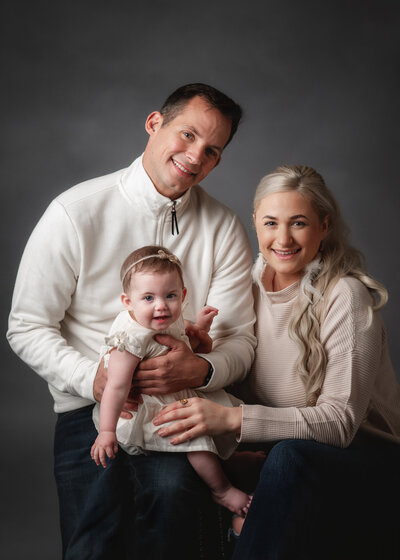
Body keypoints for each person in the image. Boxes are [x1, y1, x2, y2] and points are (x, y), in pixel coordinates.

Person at [7, 83, 256, 559]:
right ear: (154, 124)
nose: (194, 156)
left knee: (175, 517)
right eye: (186, 135)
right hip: (88, 408)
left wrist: (203, 370)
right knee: (94, 542)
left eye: (211, 150)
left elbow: (240, 339)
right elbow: (27, 325)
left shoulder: (223, 227)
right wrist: (94, 380)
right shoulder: (75, 210)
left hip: (179, 409)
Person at [153, 165, 400, 560]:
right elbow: (231, 381)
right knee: (174, 465)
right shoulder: (243, 287)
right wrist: (202, 352)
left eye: (298, 223)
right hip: (277, 453)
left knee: (288, 457)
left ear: (324, 224)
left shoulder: (345, 296)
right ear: (255, 222)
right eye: (271, 223)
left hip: (369, 459)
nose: (282, 239)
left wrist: (233, 420)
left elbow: (339, 424)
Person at [91, 245, 251, 518]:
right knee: (195, 440)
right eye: (149, 298)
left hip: (180, 393)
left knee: (214, 414)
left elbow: (184, 341)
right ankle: (221, 490)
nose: (161, 305)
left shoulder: (166, 317)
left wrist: (200, 328)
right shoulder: (130, 338)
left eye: (170, 295)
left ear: (183, 295)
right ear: (128, 302)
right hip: (152, 409)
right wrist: (107, 431)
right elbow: (116, 386)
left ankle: (228, 459)